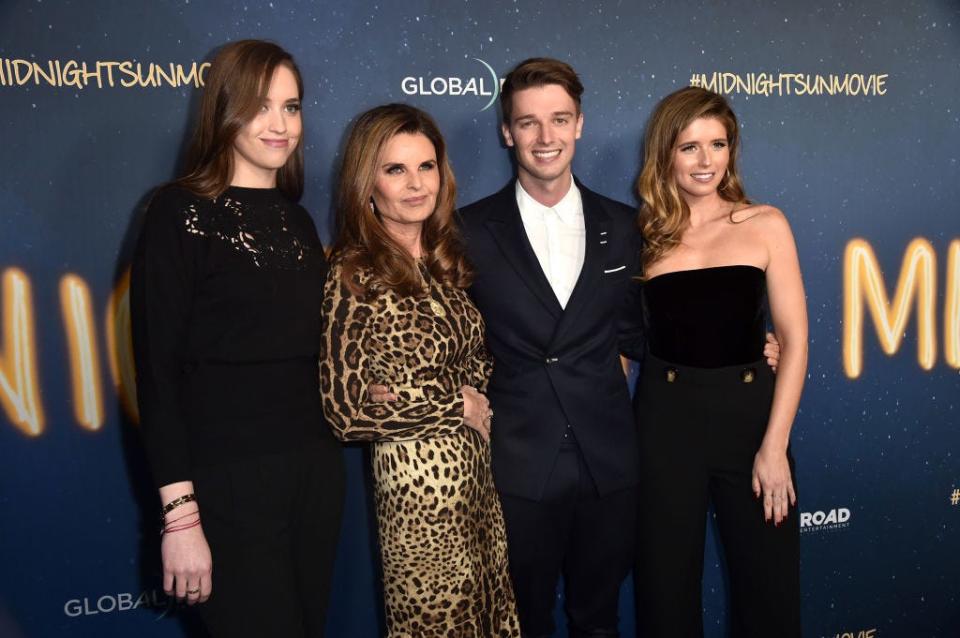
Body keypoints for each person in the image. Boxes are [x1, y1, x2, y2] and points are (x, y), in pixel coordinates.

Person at [130, 40, 345, 637]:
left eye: (292, 106)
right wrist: (179, 518)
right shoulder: (179, 212)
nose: (280, 125)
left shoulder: (296, 217)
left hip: (314, 473)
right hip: (226, 483)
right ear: (223, 110)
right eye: (260, 106)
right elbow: (158, 373)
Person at [456, 57, 646, 638]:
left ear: (579, 125)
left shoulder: (626, 224)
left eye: (559, 120)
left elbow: (639, 331)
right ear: (507, 131)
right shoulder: (465, 230)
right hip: (517, 462)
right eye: (529, 123)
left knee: (599, 620)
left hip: (607, 461)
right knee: (522, 622)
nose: (546, 137)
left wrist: (748, 344)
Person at [319, 103, 521, 637]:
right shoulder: (353, 272)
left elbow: (476, 362)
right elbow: (345, 411)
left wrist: (454, 391)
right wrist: (452, 403)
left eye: (425, 166)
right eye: (395, 170)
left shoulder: (445, 262)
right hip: (417, 500)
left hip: (477, 480)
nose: (415, 184)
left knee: (490, 617)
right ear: (368, 183)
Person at [633, 86, 806, 638]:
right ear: (666, 153)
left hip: (750, 420)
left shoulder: (765, 224)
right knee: (664, 591)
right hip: (665, 419)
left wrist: (774, 447)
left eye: (718, 144)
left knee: (768, 590)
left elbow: (796, 341)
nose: (705, 161)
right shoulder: (642, 235)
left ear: (732, 151)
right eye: (689, 147)